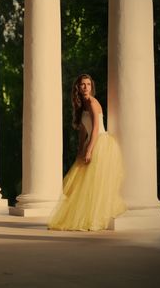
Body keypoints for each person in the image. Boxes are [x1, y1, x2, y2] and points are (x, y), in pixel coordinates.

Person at [48, 74, 126, 231]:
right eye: (82, 84)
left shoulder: (92, 102)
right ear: (77, 87)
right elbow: (83, 130)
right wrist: (80, 149)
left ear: (91, 87)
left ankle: (94, 219)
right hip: (90, 143)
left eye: (88, 84)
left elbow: (96, 128)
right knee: (81, 184)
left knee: (93, 183)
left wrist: (89, 150)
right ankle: (85, 218)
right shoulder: (81, 106)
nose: (85, 87)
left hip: (100, 143)